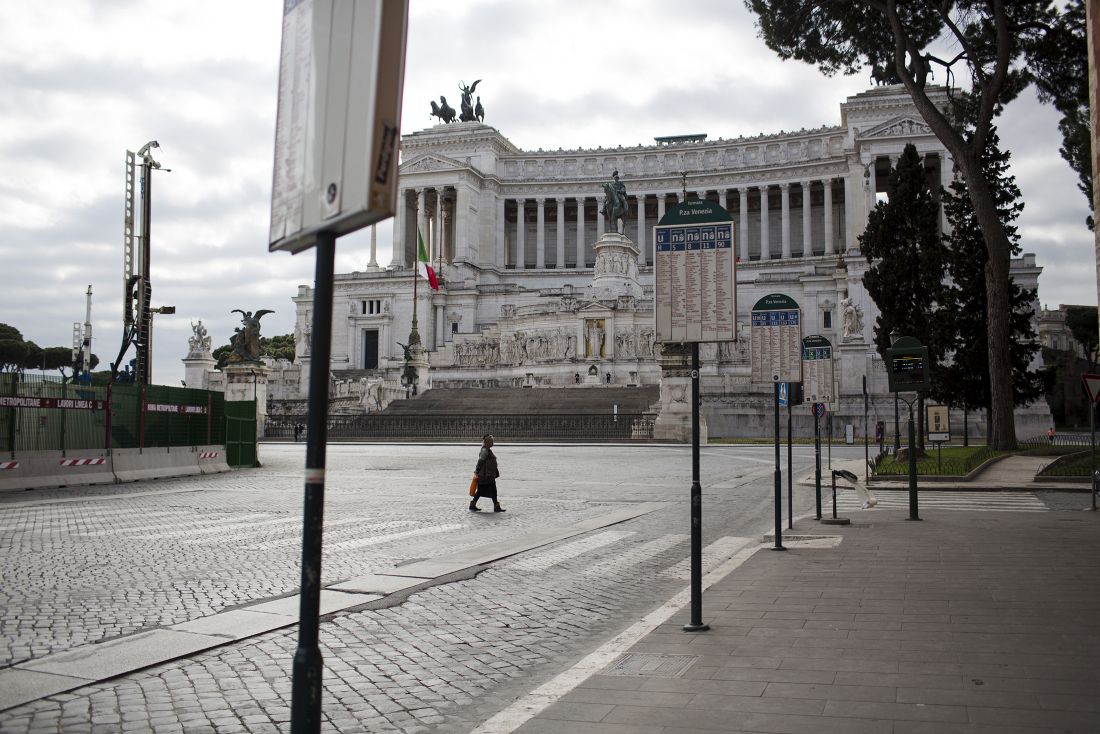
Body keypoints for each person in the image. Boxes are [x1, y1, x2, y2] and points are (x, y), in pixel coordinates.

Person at [470, 433, 504, 512]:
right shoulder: (485, 450)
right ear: (487, 442)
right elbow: (480, 461)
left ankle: (473, 504)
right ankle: (496, 506)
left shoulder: (487, 450)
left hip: (487, 475)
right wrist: (477, 471)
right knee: (492, 490)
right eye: (491, 441)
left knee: (482, 491)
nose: (493, 443)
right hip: (485, 475)